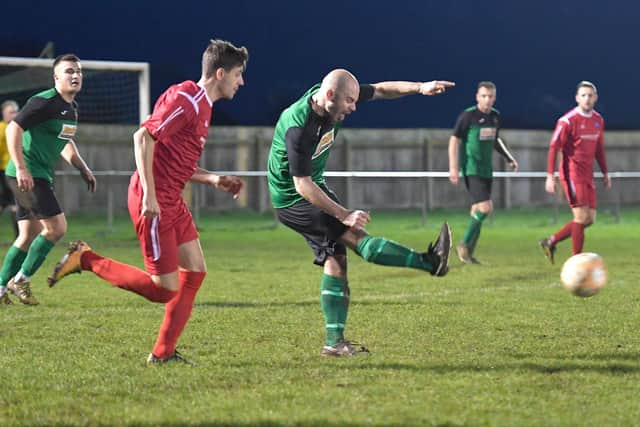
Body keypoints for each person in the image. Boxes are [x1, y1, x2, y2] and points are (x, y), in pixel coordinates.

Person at [48, 40, 247, 364]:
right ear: (220, 73)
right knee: (163, 289)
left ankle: (163, 353)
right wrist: (151, 197)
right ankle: (85, 259)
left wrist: (212, 178)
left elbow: (176, 161)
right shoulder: (187, 100)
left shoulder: (203, 106)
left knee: (195, 271)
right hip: (152, 200)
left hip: (171, 198)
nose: (241, 82)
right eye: (238, 74)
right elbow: (142, 137)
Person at [267, 69, 454, 357]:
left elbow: (380, 89)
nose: (354, 107)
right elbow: (301, 184)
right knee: (354, 236)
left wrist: (419, 87)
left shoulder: (330, 98)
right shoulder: (299, 127)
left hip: (313, 190)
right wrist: (342, 213)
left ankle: (334, 343)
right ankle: (430, 262)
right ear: (330, 96)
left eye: (355, 100)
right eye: (349, 102)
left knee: (336, 259)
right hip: (295, 200)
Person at [0, 54, 96, 306]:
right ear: (56, 77)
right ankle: (20, 280)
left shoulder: (71, 108)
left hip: (36, 174)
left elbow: (64, 141)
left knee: (27, 234)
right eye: (68, 71)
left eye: (78, 71)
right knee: (56, 228)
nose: (75, 76)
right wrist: (21, 168)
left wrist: (83, 167)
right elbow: (13, 128)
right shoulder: (43, 101)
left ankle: (0, 289)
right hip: (28, 174)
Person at [539, 81, 610, 263]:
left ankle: (550, 241)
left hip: (587, 175)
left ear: (595, 98)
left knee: (589, 219)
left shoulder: (598, 120)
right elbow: (554, 147)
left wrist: (605, 173)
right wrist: (550, 175)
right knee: (580, 216)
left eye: (590, 95)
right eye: (583, 95)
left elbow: (599, 149)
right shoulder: (567, 121)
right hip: (571, 173)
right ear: (577, 98)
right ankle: (576, 261)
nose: (587, 98)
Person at [448, 81, 518, 264]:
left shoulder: (495, 117)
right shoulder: (468, 116)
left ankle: (468, 255)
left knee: (478, 210)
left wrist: (509, 158)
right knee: (486, 208)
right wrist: (453, 167)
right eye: (484, 96)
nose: (487, 100)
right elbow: (454, 140)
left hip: (487, 170)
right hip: (471, 169)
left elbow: (495, 140)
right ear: (477, 97)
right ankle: (463, 244)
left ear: (494, 98)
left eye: (490, 96)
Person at [0, 100, 19, 240]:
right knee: (14, 204)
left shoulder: (18, 128)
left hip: (14, 172)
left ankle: (19, 237)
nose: (14, 114)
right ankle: (20, 237)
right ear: (3, 114)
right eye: (11, 112)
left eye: (16, 111)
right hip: (5, 172)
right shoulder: (2, 128)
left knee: (12, 204)